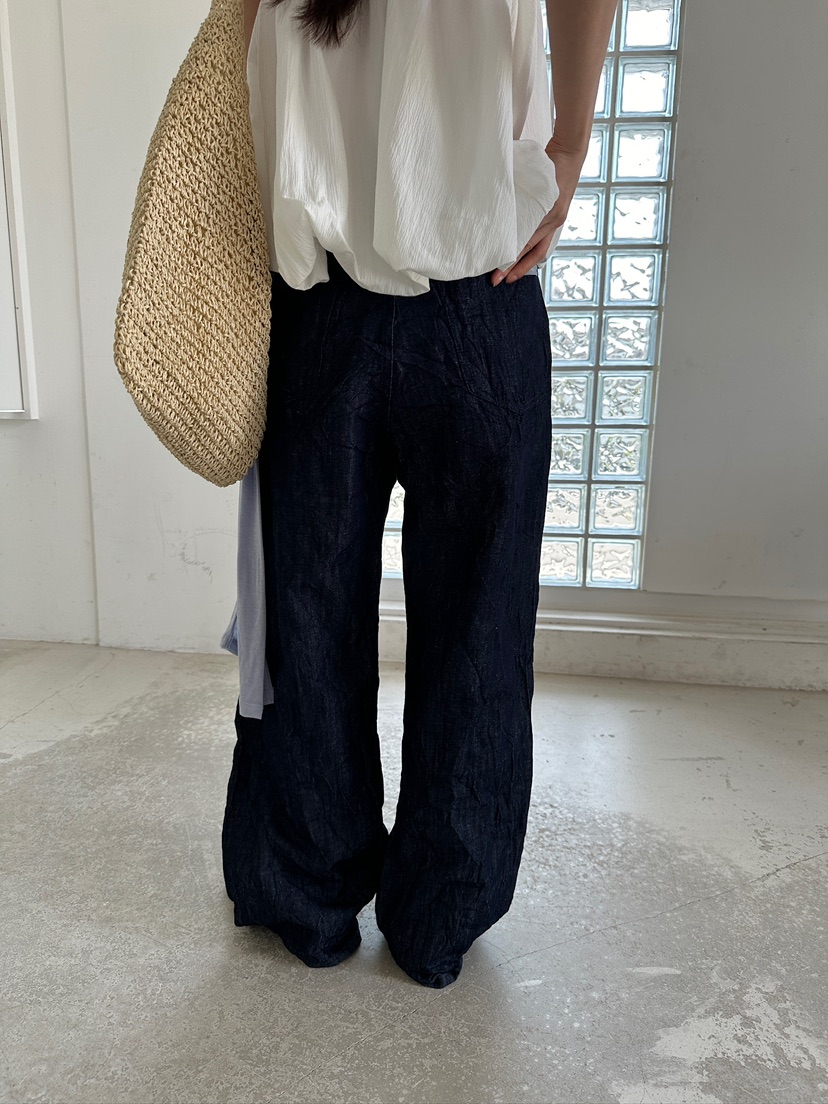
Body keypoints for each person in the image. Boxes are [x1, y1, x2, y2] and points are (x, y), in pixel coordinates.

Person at [220, 0, 618, 989]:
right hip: (479, 282)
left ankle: (309, 893)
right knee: (480, 621)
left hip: (316, 287)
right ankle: (444, 911)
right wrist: (571, 144)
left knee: (307, 614)